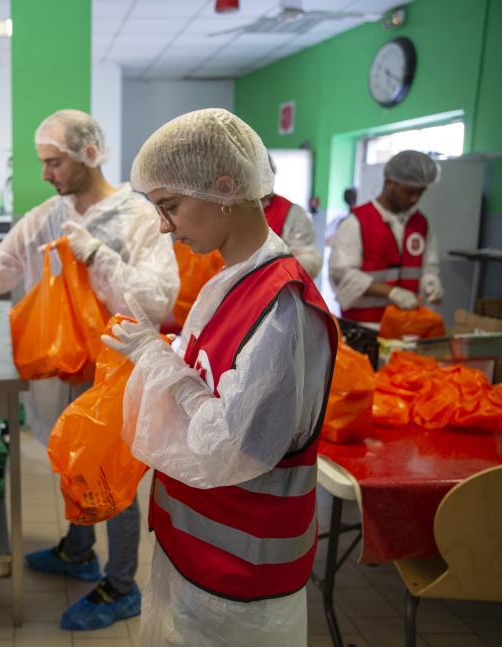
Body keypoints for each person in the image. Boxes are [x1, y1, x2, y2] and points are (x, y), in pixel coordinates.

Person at [0, 109, 179, 630]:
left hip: (114, 371)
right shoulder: (53, 213)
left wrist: (98, 258)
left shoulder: (138, 219)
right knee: (72, 457)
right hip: (68, 367)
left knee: (107, 474)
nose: (45, 173)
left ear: (87, 156)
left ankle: (121, 586)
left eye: (52, 162)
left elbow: (155, 300)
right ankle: (77, 549)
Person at [103, 108, 337, 645]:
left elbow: (230, 444)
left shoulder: (282, 307)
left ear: (225, 187)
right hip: (197, 553)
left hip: (243, 579)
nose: (164, 226)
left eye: (171, 207)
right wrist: (161, 358)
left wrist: (157, 361)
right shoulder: (230, 280)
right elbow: (208, 382)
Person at [329, 150, 442, 325]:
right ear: (390, 182)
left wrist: (430, 281)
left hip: (406, 324)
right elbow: (342, 274)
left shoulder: (420, 224)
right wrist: (391, 292)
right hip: (364, 325)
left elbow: (429, 266)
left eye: (421, 192)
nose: (415, 199)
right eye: (410, 191)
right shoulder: (357, 222)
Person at [261, 189, 322, 278]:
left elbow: (309, 260)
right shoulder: (235, 212)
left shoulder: (291, 212)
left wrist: (274, 275)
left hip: (274, 288)